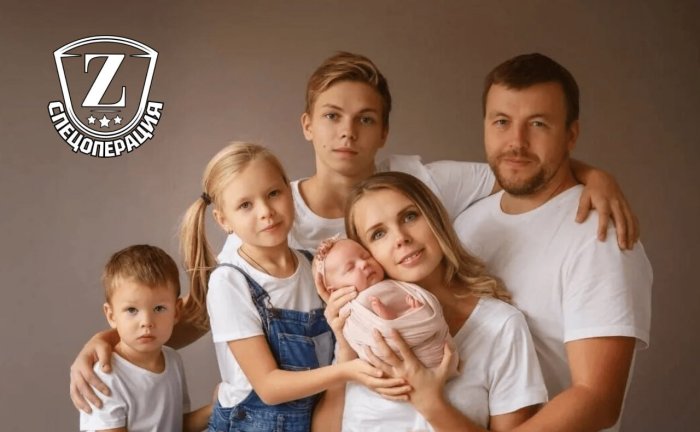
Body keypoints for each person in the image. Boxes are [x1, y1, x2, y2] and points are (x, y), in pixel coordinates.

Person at [69, 51, 638, 413]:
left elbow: (518, 162)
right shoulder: (271, 215)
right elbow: (219, 310)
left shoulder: (420, 183)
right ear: (307, 125)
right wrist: (110, 341)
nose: (348, 133)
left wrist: (595, 175)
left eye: (366, 119)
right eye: (332, 116)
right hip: (316, 401)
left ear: (384, 131)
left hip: (406, 392)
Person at [410, 53, 653, 432]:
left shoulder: (598, 238)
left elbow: (597, 399)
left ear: (571, 135)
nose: (516, 143)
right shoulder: (469, 219)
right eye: (502, 122)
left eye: (538, 124)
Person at [178, 142, 403, 432]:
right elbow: (269, 387)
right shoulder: (230, 282)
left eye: (273, 193)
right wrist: (348, 371)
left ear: (290, 191)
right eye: (245, 205)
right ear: (223, 220)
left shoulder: (317, 267)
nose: (266, 212)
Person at [312, 171, 549, 432]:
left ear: (435, 218)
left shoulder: (501, 326)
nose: (401, 238)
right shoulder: (361, 327)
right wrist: (344, 352)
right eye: (379, 234)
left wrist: (430, 402)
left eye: (409, 217)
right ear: (366, 253)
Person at [79, 244, 226, 432]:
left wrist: (219, 408)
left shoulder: (172, 360)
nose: (146, 322)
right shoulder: (106, 376)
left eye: (159, 308)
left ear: (176, 312)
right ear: (111, 315)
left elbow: (174, 427)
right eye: (132, 310)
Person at [314, 235, 455, 370]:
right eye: (350, 268)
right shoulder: (351, 310)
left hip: (438, 346)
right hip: (403, 363)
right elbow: (368, 343)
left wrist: (416, 312)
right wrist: (387, 320)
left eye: (366, 256)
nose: (364, 264)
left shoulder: (395, 282)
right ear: (335, 291)